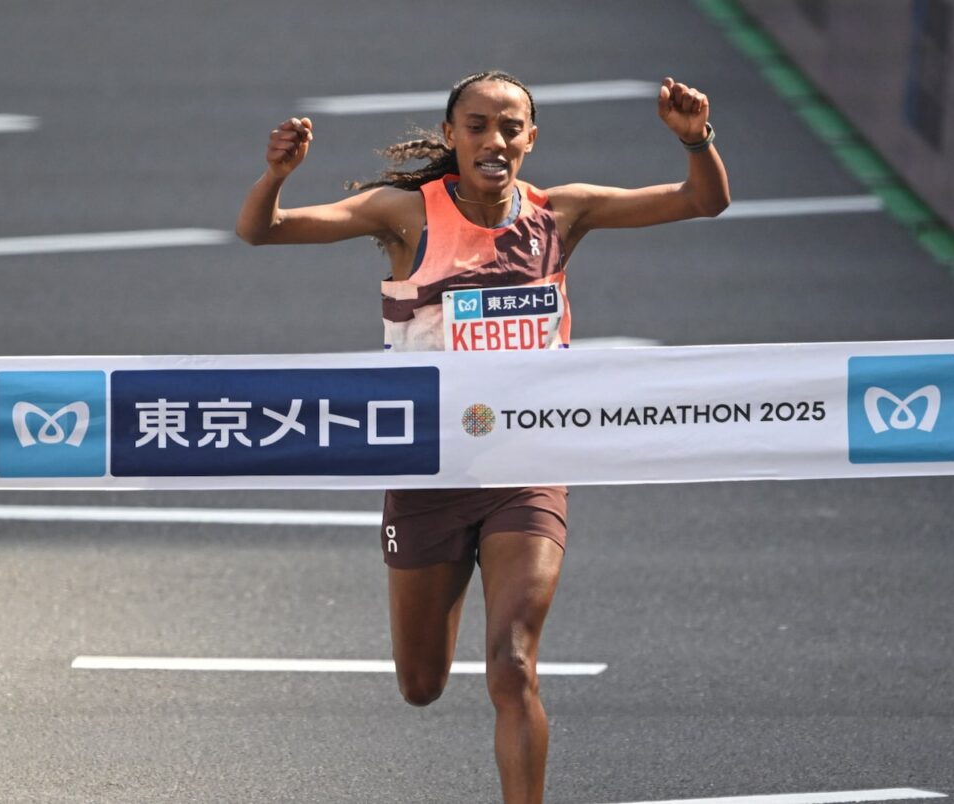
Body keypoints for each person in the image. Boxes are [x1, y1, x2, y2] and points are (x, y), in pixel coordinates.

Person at [235, 70, 728, 804]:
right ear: (452, 136)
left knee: (513, 665)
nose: (493, 140)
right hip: (429, 469)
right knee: (421, 685)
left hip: (526, 463)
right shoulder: (407, 214)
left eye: (510, 128)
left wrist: (698, 142)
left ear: (531, 139)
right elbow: (261, 230)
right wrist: (274, 177)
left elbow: (702, 200)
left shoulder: (562, 213)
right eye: (477, 125)